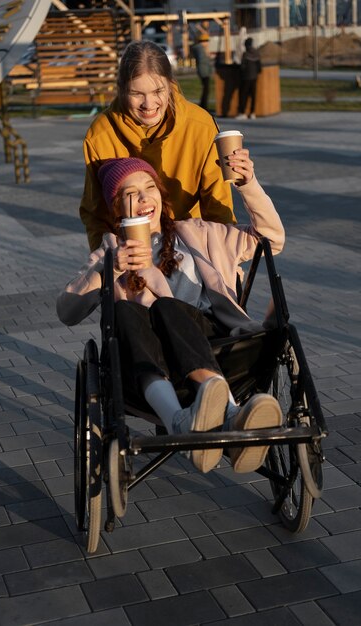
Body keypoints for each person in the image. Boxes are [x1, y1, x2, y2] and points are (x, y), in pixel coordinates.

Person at [57, 151, 284, 474]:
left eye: (148, 187)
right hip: (149, 359)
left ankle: (227, 411)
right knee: (124, 314)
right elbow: (66, 312)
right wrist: (110, 269)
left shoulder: (199, 233)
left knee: (166, 305)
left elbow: (271, 240)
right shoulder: (110, 249)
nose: (142, 198)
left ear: (161, 196)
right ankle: (181, 421)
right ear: (116, 208)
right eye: (128, 194)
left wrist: (248, 185)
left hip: (210, 343)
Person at [79, 40, 234, 252]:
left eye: (158, 91)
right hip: (132, 251)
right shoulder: (101, 135)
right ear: (121, 89)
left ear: (171, 85)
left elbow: (218, 206)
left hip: (191, 246)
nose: (149, 104)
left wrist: (224, 259)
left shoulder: (201, 126)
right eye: (136, 94)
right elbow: (96, 214)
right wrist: (107, 264)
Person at [236, 37, 262, 120]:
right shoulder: (257, 53)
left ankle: (242, 112)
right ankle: (252, 113)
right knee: (253, 95)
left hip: (246, 77)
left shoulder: (246, 54)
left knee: (244, 95)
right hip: (254, 77)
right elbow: (259, 68)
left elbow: (242, 67)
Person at [191, 33, 212, 111]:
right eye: (206, 41)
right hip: (204, 71)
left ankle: (203, 105)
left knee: (206, 89)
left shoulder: (199, 48)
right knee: (206, 90)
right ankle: (204, 106)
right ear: (203, 41)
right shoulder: (200, 49)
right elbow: (202, 60)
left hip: (203, 70)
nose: (207, 43)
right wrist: (207, 55)